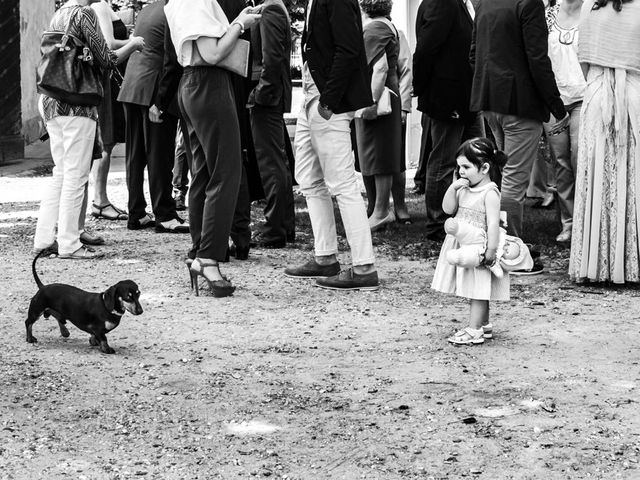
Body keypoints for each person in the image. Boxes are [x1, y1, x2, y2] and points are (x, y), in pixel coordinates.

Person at [164, 0, 261, 296]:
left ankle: (199, 251)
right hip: (209, 84)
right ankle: (208, 258)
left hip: (194, 85)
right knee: (226, 173)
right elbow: (212, 53)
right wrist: (240, 24)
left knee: (204, 175)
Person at [33, 0, 143, 259]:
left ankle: (44, 239)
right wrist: (134, 44)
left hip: (51, 98)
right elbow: (107, 59)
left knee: (60, 174)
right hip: (76, 103)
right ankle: (70, 243)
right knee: (76, 175)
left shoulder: (59, 14)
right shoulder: (85, 14)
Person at [284, 0, 379, 291]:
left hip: (328, 103)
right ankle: (325, 257)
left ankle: (364, 267)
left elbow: (349, 49)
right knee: (309, 180)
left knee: (342, 184)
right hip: (311, 102)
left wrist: (329, 101)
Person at [470, 0, 567, 252]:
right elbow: (538, 58)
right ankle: (508, 247)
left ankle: (498, 240)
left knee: (505, 175)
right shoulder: (529, 3)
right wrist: (556, 106)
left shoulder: (484, 4)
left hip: (490, 99)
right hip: (519, 102)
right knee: (513, 179)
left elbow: (473, 54)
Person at [569, 0, 640, 284]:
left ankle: (595, 264)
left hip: (596, 93)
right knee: (632, 177)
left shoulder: (590, 8)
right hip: (634, 95)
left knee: (597, 177)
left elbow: (582, 61)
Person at [413, 0, 484, 242]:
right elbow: (425, 49)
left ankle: (472, 216)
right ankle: (437, 224)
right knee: (443, 162)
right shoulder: (442, 3)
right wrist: (422, 88)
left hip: (467, 97)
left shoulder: (459, 4)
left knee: (479, 157)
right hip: (447, 96)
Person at [117, 0, 189, 233]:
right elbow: (172, 59)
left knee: (135, 155)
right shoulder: (174, 10)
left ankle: (136, 213)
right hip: (153, 89)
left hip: (132, 86)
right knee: (160, 155)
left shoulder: (148, 9)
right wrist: (161, 101)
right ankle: (164, 214)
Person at [431, 138, 509, 345]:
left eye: (466, 167)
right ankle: (484, 325)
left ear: (484, 168)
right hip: (462, 243)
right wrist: (453, 188)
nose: (461, 171)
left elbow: (493, 224)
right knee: (474, 286)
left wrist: (491, 250)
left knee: (479, 289)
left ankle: (474, 330)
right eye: (459, 167)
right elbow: (448, 209)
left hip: (478, 247)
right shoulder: (464, 187)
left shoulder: (490, 192)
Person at [248, 0, 295, 249]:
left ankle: (274, 229)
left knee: (271, 163)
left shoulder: (272, 10)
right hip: (270, 95)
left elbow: (273, 59)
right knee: (278, 161)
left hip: (267, 97)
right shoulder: (269, 8)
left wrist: (259, 94)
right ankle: (283, 227)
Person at [354, 0, 402, 232]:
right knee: (375, 154)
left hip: (378, 97)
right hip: (387, 94)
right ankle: (376, 209)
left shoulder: (374, 28)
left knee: (378, 156)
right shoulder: (386, 25)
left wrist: (370, 102)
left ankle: (381, 211)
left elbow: (380, 67)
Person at [89, 0, 137, 221]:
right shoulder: (99, 7)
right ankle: (100, 200)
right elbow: (108, 45)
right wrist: (134, 41)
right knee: (105, 141)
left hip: (112, 78)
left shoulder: (104, 6)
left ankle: (101, 199)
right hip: (109, 79)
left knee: (107, 140)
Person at [543, 0, 585, 243]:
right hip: (553, 98)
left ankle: (586, 221)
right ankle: (568, 224)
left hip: (583, 97)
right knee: (560, 163)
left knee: (580, 158)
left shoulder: (591, 11)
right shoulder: (548, 15)